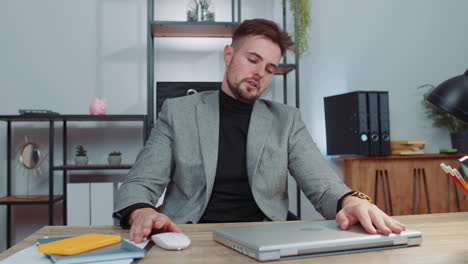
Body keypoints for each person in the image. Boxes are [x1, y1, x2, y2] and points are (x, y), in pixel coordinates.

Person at [113, 19, 406, 243]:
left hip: (267, 236)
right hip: (190, 234)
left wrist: (351, 201)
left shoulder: (286, 119)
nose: (259, 73)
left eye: (269, 68)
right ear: (228, 55)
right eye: (252, 60)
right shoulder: (178, 112)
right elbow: (140, 183)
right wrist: (142, 211)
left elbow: (324, 186)